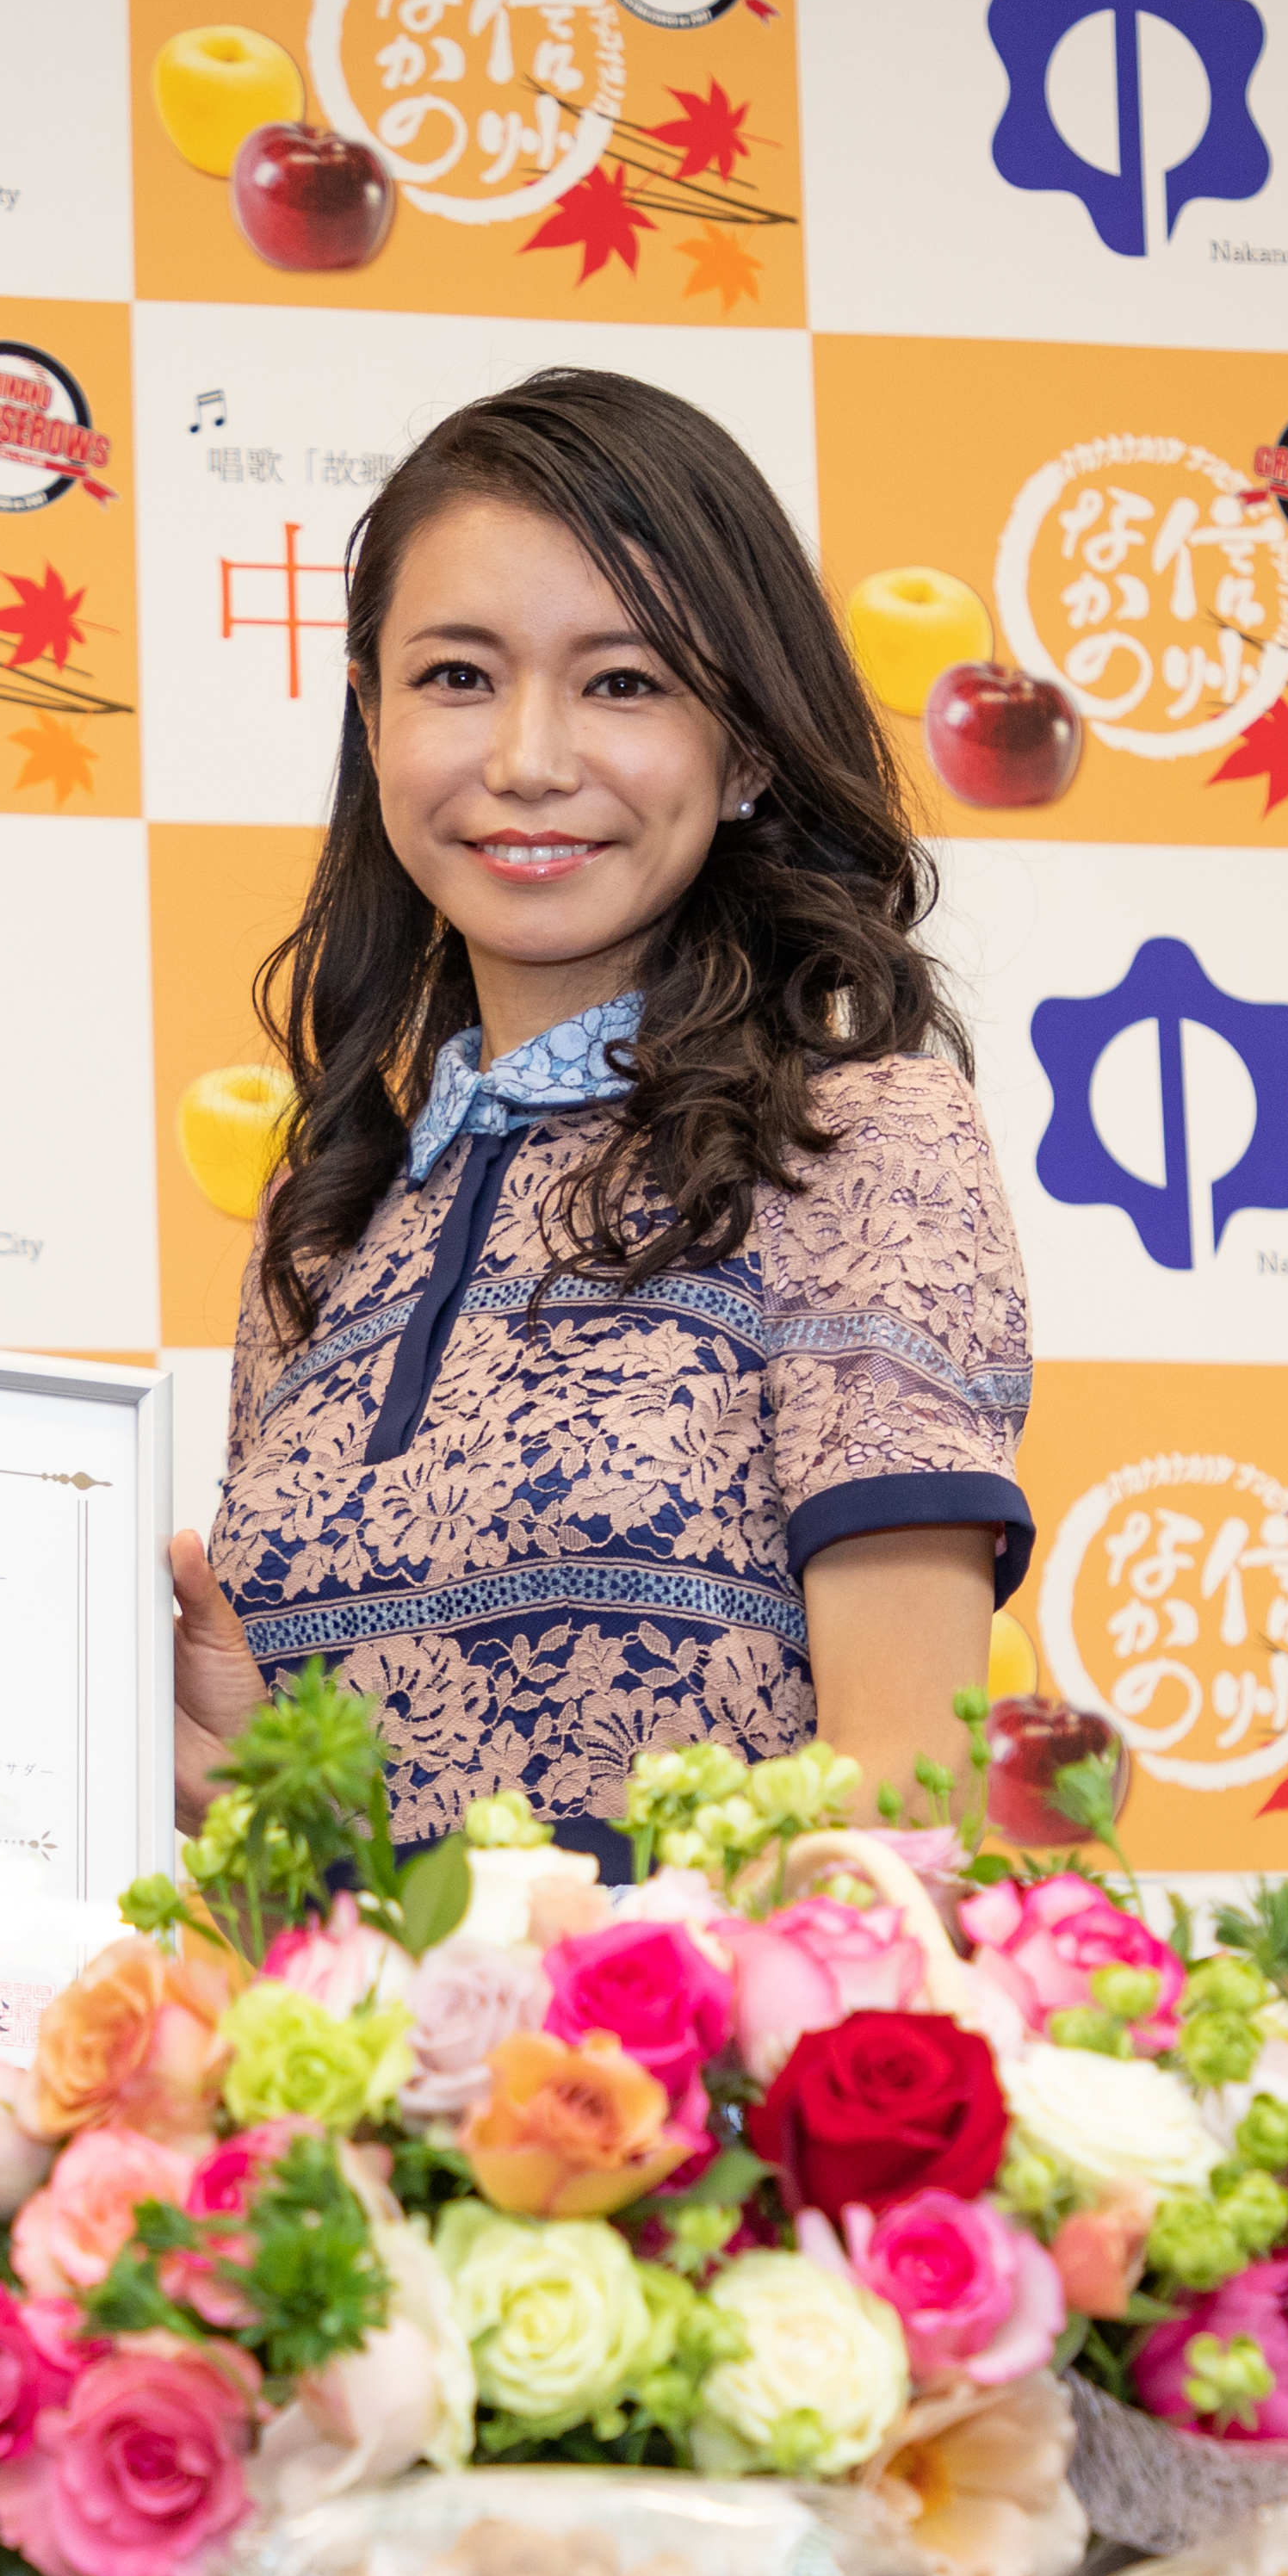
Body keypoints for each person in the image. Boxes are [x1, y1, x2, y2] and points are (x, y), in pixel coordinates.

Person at [170, 368, 1028, 1854]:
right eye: (457, 677)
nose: (529, 761)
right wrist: (256, 1787)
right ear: (372, 721)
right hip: (363, 2087)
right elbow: (323, 1873)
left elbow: (902, 1829)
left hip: (690, 2083)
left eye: (622, 681)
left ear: (745, 745)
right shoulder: (323, 1232)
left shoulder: (857, 1142)